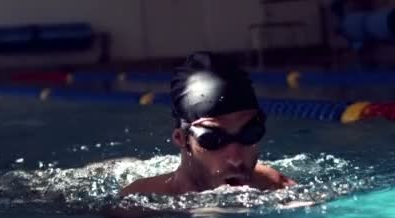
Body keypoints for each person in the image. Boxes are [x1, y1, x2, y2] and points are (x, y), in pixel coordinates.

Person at [120, 51, 295, 197]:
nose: (235, 159)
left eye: (250, 133)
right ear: (182, 139)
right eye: (213, 139)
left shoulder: (276, 187)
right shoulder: (139, 202)